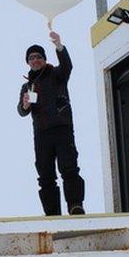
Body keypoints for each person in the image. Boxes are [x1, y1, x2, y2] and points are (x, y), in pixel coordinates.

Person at [17, 31, 85, 216]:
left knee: (69, 168)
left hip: (62, 128)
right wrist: (24, 106)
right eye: (31, 58)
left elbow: (67, 66)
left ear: (45, 59)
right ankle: (52, 214)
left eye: (38, 57)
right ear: (28, 62)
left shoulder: (56, 74)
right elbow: (22, 111)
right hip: (42, 133)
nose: (35, 60)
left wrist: (59, 46)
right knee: (45, 176)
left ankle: (75, 206)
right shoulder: (27, 86)